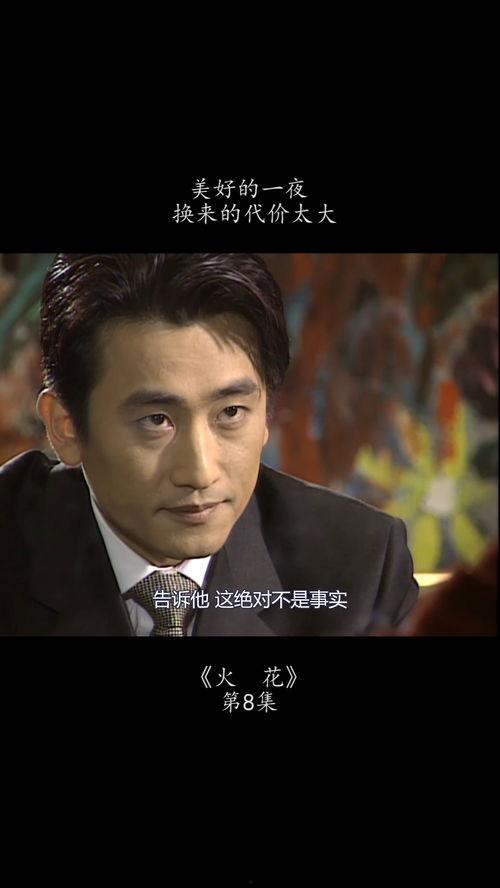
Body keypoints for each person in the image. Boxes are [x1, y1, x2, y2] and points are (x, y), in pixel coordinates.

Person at [0, 253, 418, 636]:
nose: (200, 472)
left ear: (267, 411)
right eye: (156, 421)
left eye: (231, 412)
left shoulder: (358, 567)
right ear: (66, 427)